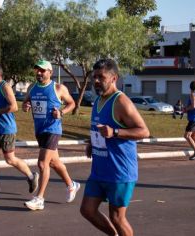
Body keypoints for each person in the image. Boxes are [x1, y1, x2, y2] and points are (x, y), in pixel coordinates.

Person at [80, 59, 149, 236]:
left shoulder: (121, 102)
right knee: (87, 210)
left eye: (100, 77)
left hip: (120, 171)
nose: (96, 81)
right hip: (100, 169)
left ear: (113, 78)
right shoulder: (99, 100)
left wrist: (115, 132)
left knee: (117, 217)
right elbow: (100, 128)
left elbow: (144, 131)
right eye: (94, 77)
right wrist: (91, 142)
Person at [22, 59, 80, 211]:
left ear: (50, 72)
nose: (39, 73)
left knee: (42, 163)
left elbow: (72, 103)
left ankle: (39, 199)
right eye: (37, 70)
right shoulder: (32, 87)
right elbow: (25, 103)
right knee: (54, 163)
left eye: (42, 70)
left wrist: (61, 112)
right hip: (39, 130)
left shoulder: (58, 88)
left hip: (53, 129)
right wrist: (25, 106)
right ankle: (71, 185)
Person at [0, 63, 39, 200]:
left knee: (10, 159)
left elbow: (14, 107)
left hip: (6, 129)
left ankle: (31, 176)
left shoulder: (4, 87)